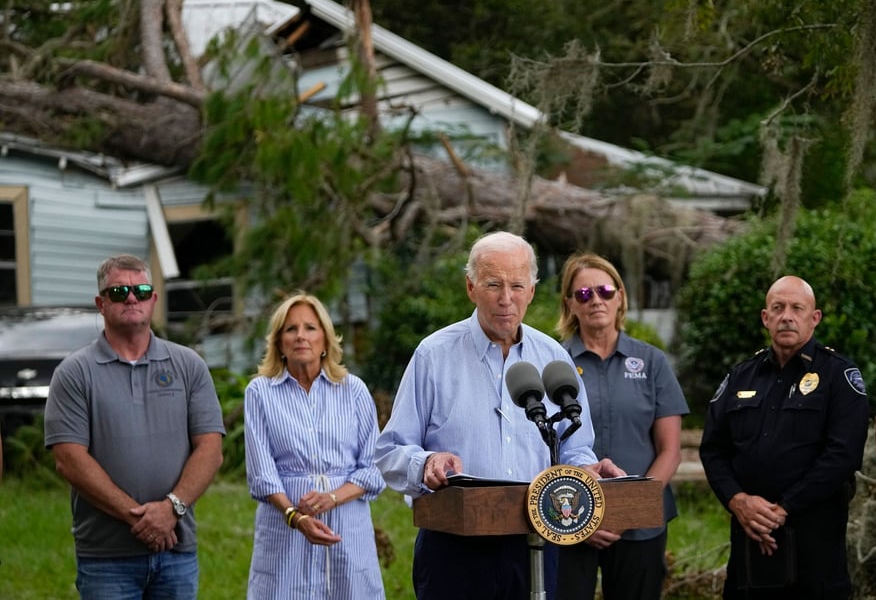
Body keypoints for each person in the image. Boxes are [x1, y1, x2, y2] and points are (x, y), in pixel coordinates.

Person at [375, 231, 624, 600]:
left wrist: (585, 469)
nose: (506, 299)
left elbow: (574, 447)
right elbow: (390, 451)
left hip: (536, 543)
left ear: (533, 291)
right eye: (493, 284)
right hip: (454, 548)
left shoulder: (553, 357)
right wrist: (426, 462)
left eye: (517, 285)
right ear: (471, 287)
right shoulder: (433, 355)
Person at [44, 254, 225, 599]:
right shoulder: (74, 373)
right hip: (106, 558)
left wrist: (172, 508)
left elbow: (211, 450)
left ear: (153, 300)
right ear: (101, 303)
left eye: (141, 290)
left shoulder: (188, 365)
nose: (131, 298)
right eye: (118, 292)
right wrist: (141, 518)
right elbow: (69, 458)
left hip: (176, 552)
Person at [699, 275, 869, 600]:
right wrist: (738, 501)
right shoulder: (741, 375)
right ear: (766, 318)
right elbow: (713, 450)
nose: (786, 316)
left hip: (814, 548)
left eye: (797, 308)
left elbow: (842, 456)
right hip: (749, 544)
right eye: (778, 308)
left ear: (814, 318)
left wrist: (784, 508)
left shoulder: (838, 375)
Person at [553, 252, 689, 600]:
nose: (595, 300)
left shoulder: (652, 361)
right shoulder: (553, 364)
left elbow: (670, 450)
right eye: (583, 294)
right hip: (568, 518)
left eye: (605, 291)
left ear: (621, 297)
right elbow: (541, 445)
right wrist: (585, 518)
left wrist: (627, 510)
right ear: (569, 304)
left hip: (641, 524)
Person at [243, 292, 386, 599]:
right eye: (291, 329)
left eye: (310, 327)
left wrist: (333, 497)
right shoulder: (260, 393)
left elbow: (374, 468)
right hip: (286, 524)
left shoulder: (354, 390)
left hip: (347, 523)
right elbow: (262, 474)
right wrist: (296, 516)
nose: (300, 337)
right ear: (279, 342)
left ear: (325, 338)